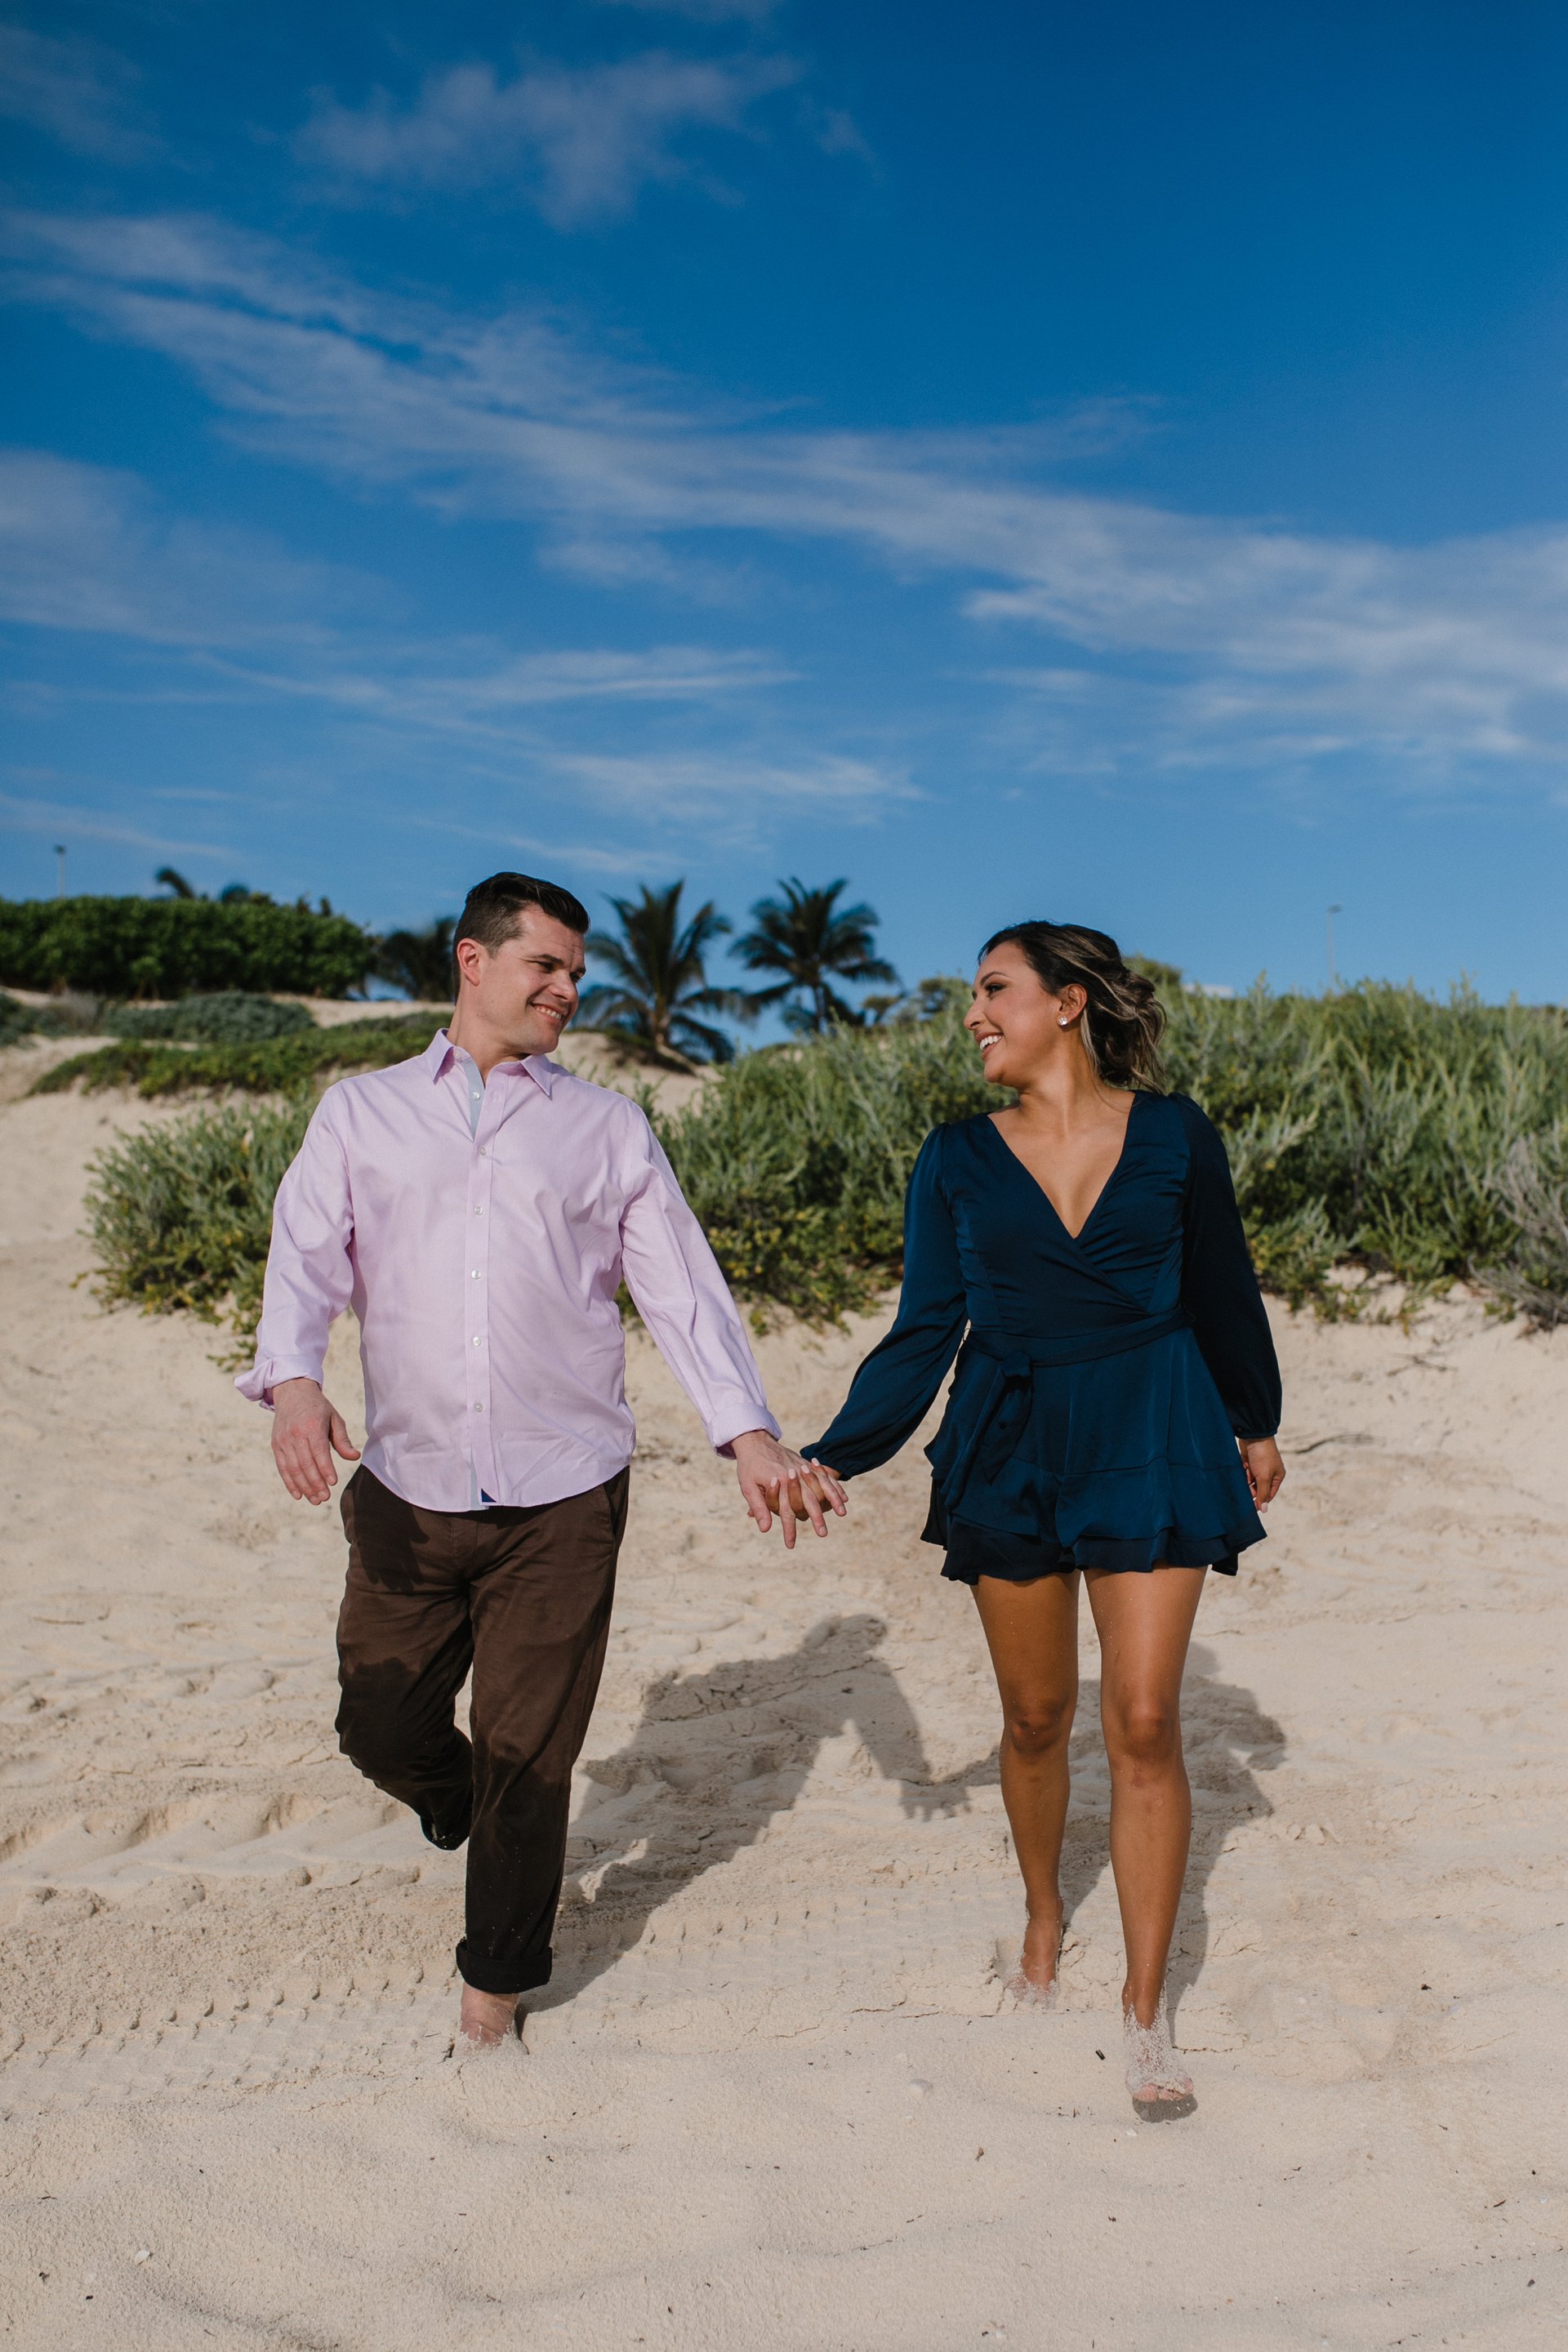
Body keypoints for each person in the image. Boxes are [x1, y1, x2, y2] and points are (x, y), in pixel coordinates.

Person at [238, 871, 844, 2050]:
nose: (568, 989)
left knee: (531, 1754)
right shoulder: (360, 1113)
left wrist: (747, 1431)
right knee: (379, 1726)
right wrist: (294, 1381)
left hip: (566, 1493)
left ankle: (494, 2000)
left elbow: (680, 1288)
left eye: (578, 972)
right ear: (474, 962)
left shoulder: (606, 1127)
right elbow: (304, 1256)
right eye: (547, 966)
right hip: (407, 1488)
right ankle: (451, 1799)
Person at [797, 921, 1283, 2121]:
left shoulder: (1176, 1133)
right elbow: (926, 1327)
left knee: (1146, 1717)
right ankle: (1043, 1913)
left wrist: (1255, 1419)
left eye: (993, 989)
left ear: (1067, 1002)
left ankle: (1146, 2009)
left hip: (1153, 1422)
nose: (973, 1014)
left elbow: (1223, 1285)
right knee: (1034, 1716)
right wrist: (836, 1450)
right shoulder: (955, 1155)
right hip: (1009, 1438)